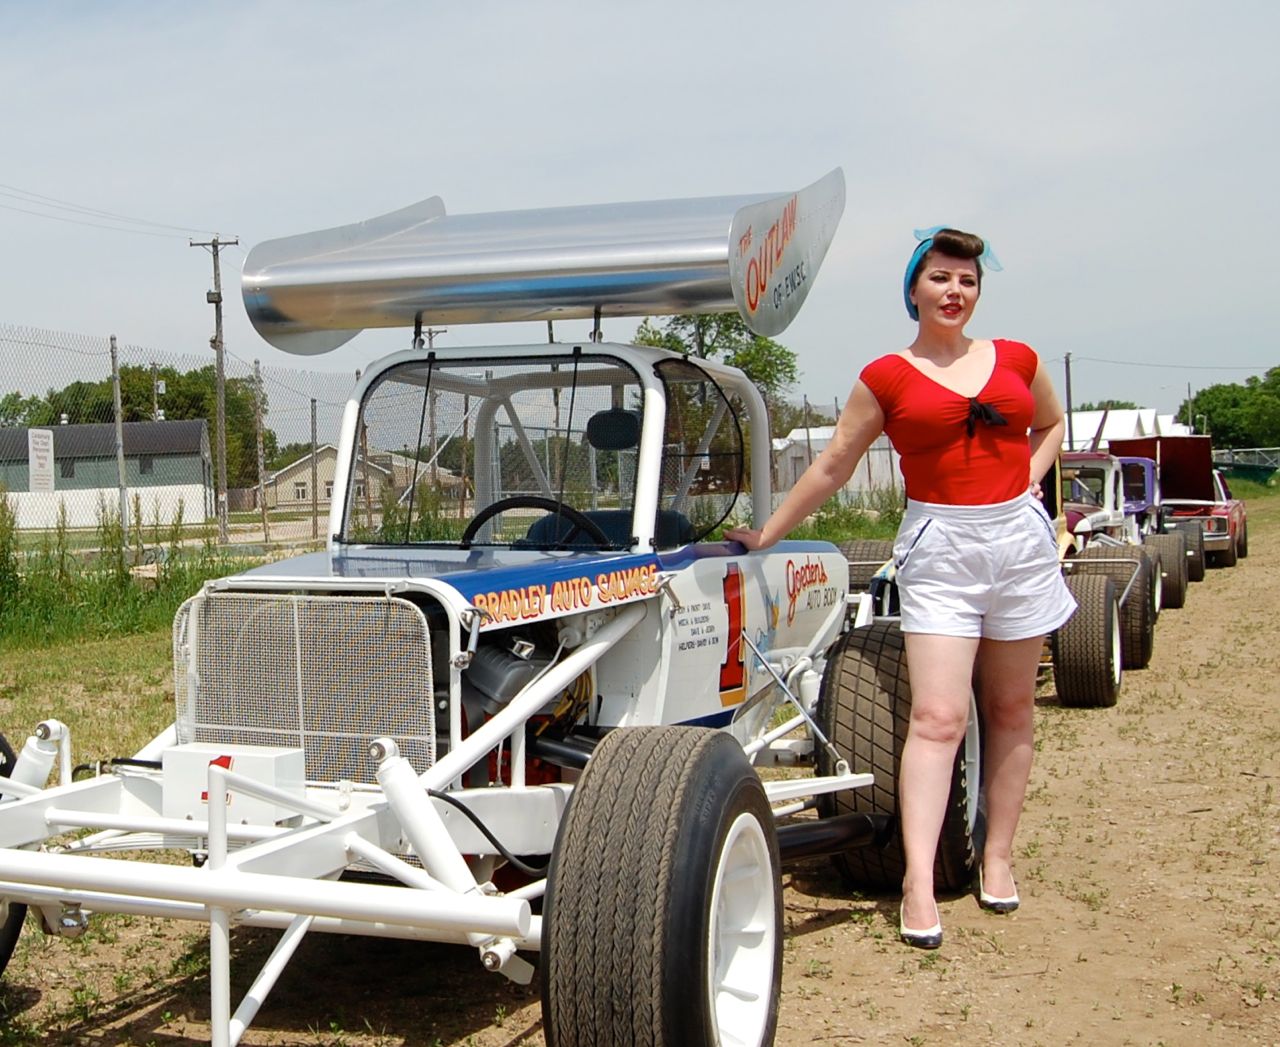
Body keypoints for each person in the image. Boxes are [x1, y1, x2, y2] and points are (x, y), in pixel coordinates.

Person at [725, 227, 1074, 949]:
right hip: (941, 546)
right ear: (914, 287)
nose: (955, 292)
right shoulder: (887, 375)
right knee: (939, 717)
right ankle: (918, 877)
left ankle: (998, 854)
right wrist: (767, 535)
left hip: (1017, 542)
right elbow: (832, 466)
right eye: (941, 278)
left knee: (1010, 706)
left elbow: (1051, 422)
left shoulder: (1018, 358)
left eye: (968, 281)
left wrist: (1028, 486)